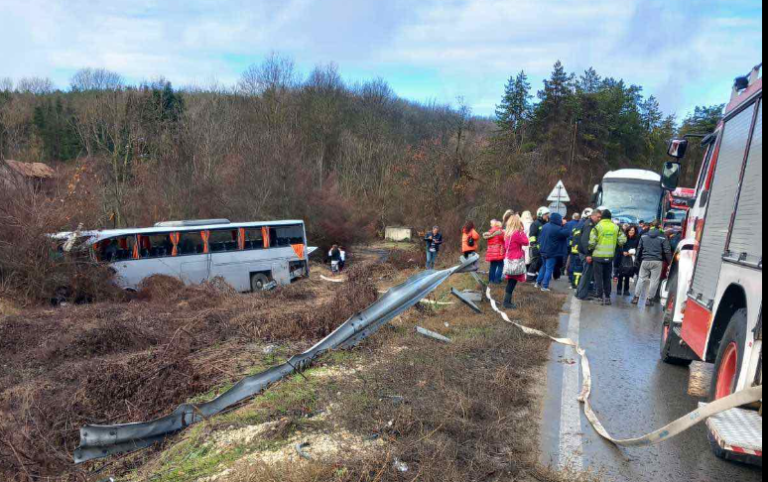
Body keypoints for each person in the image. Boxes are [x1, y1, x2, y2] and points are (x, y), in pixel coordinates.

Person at [589, 209, 627, 305]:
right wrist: (616, 243)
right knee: (607, 277)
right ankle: (607, 297)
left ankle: (600, 297)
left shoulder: (597, 227)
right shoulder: (616, 227)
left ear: (601, 217)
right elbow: (623, 240)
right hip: (609, 257)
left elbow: (592, 242)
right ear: (610, 218)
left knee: (598, 277)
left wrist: (590, 249)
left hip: (597, 256)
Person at [633, 221, 673, 307]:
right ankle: (649, 300)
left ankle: (636, 298)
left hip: (645, 260)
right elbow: (667, 251)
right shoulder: (663, 237)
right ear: (659, 226)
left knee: (641, 279)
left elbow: (639, 249)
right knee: (654, 281)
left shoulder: (644, 236)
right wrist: (670, 263)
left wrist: (636, 260)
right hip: (657, 262)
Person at [536, 213, 571, 292]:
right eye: (560, 219)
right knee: (549, 269)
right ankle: (545, 286)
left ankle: (537, 283)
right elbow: (567, 233)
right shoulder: (558, 229)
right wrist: (565, 224)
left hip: (543, 250)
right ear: (558, 219)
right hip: (551, 253)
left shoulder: (545, 226)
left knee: (543, 267)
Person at [502, 214, 530, 309]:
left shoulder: (507, 234)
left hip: (509, 259)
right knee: (512, 282)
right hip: (515, 260)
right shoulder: (516, 234)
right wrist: (522, 232)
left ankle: (507, 301)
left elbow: (506, 247)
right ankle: (506, 302)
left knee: (511, 281)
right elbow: (526, 242)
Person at [576, 209, 602, 300]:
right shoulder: (589, 225)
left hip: (585, 253)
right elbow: (585, 241)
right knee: (586, 275)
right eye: (598, 217)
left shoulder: (591, 224)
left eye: (600, 217)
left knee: (586, 274)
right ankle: (582, 295)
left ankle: (580, 292)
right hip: (586, 253)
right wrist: (588, 254)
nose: (599, 219)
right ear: (593, 216)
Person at [527, 207, 551, 281]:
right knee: (534, 264)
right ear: (541, 214)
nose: (547, 216)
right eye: (546, 214)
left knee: (540, 264)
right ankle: (530, 279)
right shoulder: (535, 224)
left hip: (543, 248)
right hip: (536, 248)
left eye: (548, 214)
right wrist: (534, 244)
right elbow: (532, 235)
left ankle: (537, 279)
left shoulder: (547, 224)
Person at [616, 226, 640, 296]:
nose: (631, 231)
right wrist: (623, 252)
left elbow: (638, 248)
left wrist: (632, 252)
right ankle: (619, 289)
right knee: (620, 274)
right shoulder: (624, 238)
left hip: (631, 257)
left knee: (628, 274)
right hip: (622, 257)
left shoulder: (636, 239)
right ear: (627, 231)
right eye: (630, 230)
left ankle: (626, 290)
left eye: (633, 230)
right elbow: (619, 247)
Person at [484, 220, 506, 284]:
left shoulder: (489, 232)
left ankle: (491, 280)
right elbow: (504, 239)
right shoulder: (500, 232)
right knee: (500, 265)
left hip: (491, 251)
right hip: (499, 251)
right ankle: (497, 280)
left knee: (492, 266)